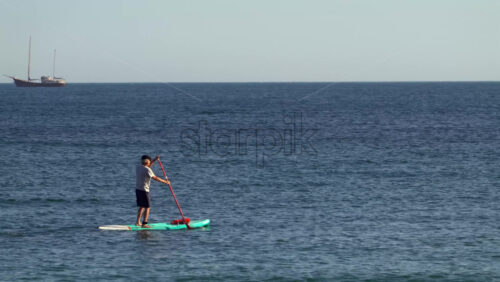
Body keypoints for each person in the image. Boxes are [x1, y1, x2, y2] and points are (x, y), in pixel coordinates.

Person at [135, 154, 170, 228]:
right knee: (147, 207)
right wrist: (165, 182)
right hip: (144, 190)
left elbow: (147, 166)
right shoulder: (148, 170)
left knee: (142, 206)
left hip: (138, 189)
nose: (150, 163)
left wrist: (155, 160)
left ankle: (138, 222)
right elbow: (155, 177)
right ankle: (144, 223)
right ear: (147, 162)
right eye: (149, 162)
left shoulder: (138, 167)